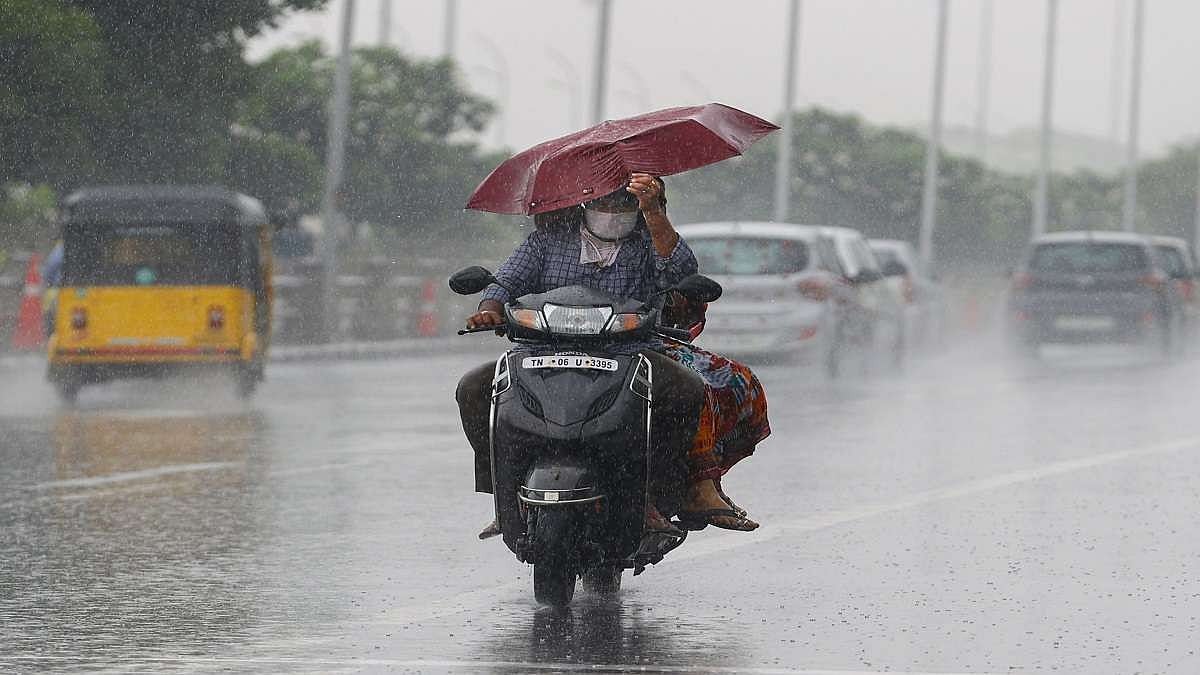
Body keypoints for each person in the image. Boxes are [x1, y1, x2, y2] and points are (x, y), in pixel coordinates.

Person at [456, 173, 770, 537]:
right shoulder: (546, 241)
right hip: (541, 350)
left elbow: (681, 271)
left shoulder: (647, 240)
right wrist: (490, 308)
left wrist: (653, 212)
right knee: (474, 388)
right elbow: (505, 282)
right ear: (583, 204)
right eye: (602, 202)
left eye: (623, 203)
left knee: (687, 389)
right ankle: (505, 496)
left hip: (632, 351)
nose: (612, 211)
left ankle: (659, 496)